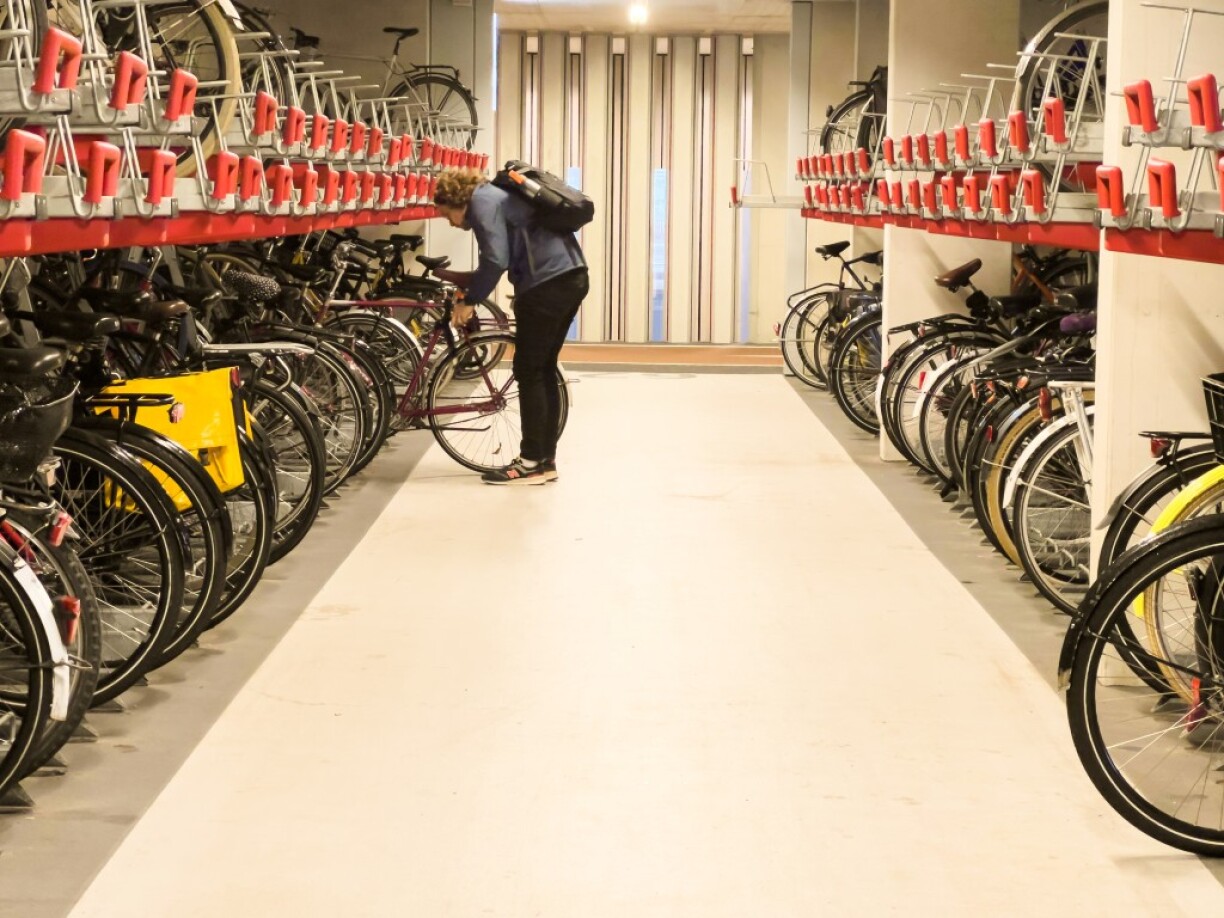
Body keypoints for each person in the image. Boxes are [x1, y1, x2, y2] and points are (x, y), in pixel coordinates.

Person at [431, 170, 589, 486]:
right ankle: (544, 460)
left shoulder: (482, 202)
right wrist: (472, 282)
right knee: (541, 369)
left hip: (546, 284)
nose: (450, 223)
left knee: (530, 370)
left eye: (446, 215)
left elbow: (495, 258)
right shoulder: (496, 196)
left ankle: (531, 463)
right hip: (571, 277)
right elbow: (501, 254)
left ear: (457, 201)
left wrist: (470, 300)